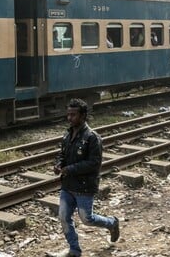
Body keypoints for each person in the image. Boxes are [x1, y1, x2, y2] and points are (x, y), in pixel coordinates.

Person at [52, 99, 119, 257]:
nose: (69, 118)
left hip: (84, 187)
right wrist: (58, 164)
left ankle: (112, 223)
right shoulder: (67, 135)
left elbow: (94, 163)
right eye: (68, 114)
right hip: (68, 186)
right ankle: (74, 250)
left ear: (83, 116)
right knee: (63, 216)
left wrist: (70, 169)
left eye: (73, 115)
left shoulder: (92, 138)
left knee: (87, 219)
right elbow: (62, 154)